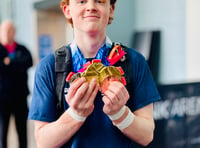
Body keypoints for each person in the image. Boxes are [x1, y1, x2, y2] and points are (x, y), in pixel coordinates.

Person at [28, 0, 160, 147]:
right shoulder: (49, 67)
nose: (91, 7)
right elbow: (43, 142)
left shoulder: (134, 61)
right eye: (82, 1)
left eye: (99, 1)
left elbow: (147, 135)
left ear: (111, 9)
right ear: (67, 10)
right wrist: (76, 114)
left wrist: (120, 114)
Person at [0, 20, 33, 148]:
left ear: (14, 32)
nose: (8, 33)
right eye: (5, 30)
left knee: (22, 131)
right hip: (3, 98)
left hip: (20, 97)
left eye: (11, 30)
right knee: (3, 131)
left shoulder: (22, 49)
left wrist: (9, 63)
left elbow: (29, 61)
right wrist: (16, 64)